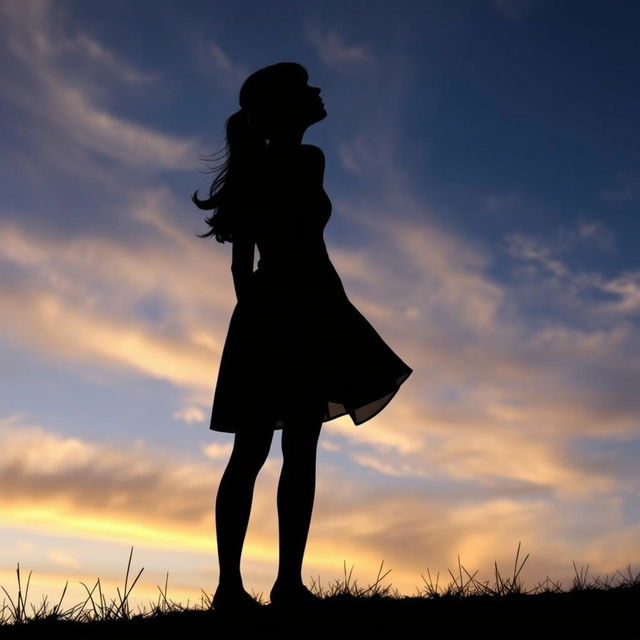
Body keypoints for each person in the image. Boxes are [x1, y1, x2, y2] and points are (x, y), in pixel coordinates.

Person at [192, 62, 412, 613]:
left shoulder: (258, 166)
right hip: (303, 308)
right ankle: (272, 585)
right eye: (305, 88)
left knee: (258, 451)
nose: (317, 92)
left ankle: (242, 588)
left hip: (276, 309)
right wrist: (291, 315)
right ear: (285, 106)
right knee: (291, 450)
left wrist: (258, 317)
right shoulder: (305, 160)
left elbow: (244, 267)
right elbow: (291, 254)